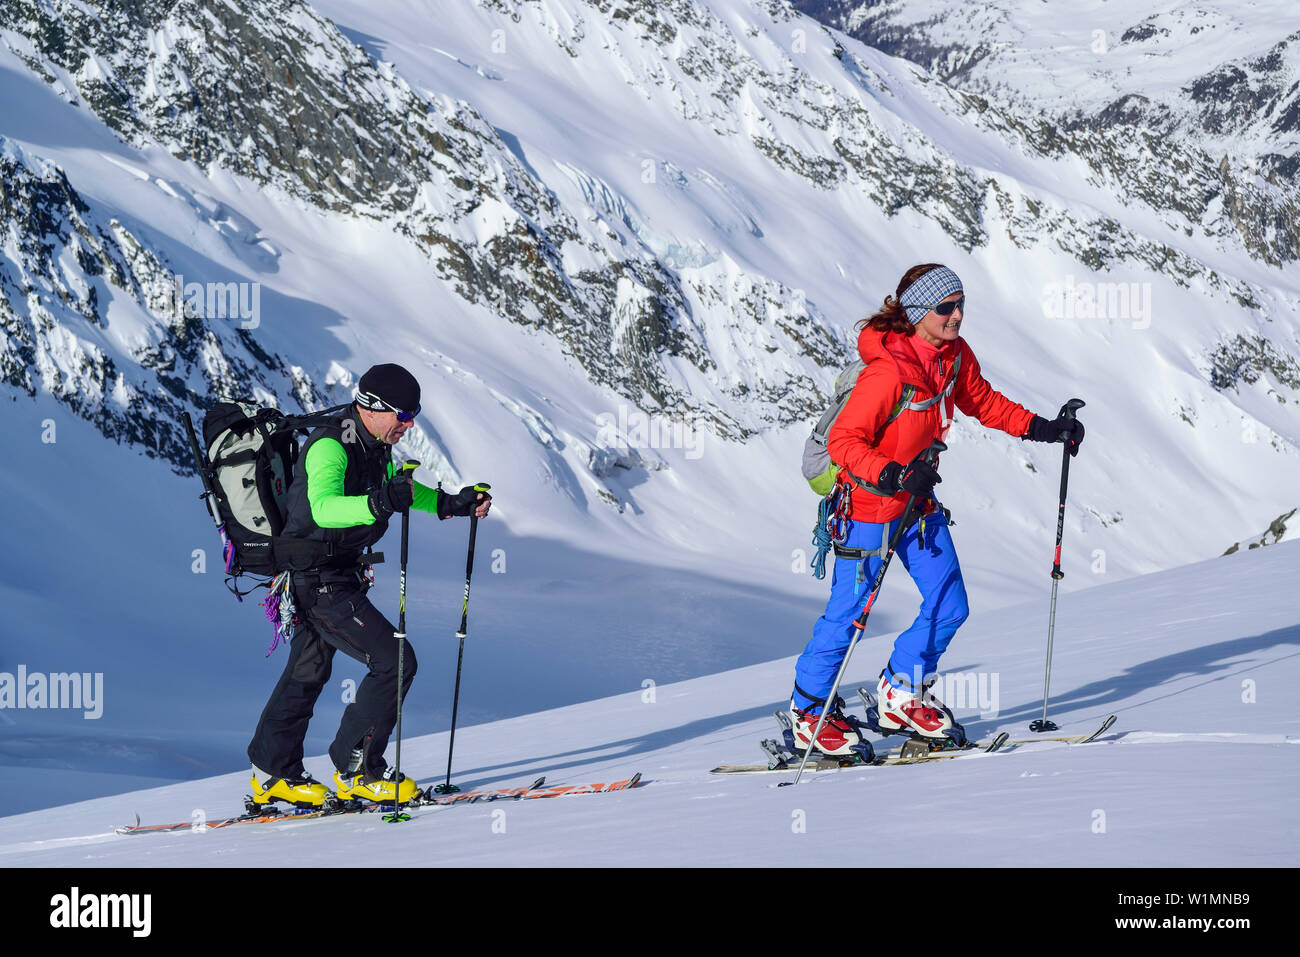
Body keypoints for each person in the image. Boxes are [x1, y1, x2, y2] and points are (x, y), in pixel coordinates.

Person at [789, 264, 1084, 755]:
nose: (957, 315)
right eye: (946, 307)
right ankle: (808, 713)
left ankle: (899, 692)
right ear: (918, 312)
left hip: (917, 504)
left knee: (951, 604)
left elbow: (983, 402)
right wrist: (893, 474)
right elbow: (845, 441)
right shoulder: (889, 372)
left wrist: (1046, 429)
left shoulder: (953, 356)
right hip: (867, 508)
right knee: (847, 618)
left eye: (961, 303)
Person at [246, 363, 492, 806]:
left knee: (308, 672)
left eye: (414, 413)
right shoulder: (330, 447)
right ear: (374, 408)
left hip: (330, 574)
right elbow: (324, 509)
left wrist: (450, 504)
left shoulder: (374, 441)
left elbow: (398, 491)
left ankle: (272, 772)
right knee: (395, 661)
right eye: (403, 413)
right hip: (318, 580)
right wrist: (381, 502)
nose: (410, 422)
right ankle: (357, 770)